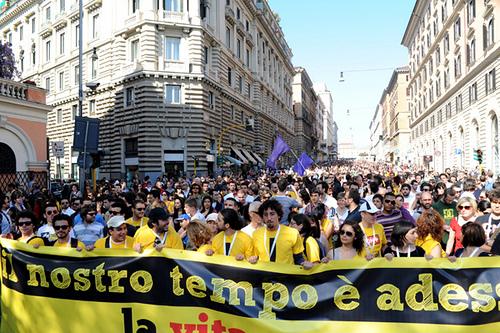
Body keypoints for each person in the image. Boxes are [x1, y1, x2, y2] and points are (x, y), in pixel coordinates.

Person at [248, 200, 312, 268]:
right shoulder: (256, 234)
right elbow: (255, 256)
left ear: (278, 215)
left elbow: (298, 258)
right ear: (262, 217)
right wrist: (252, 259)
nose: (269, 218)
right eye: (265, 214)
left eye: (272, 214)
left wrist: (304, 263)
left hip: (285, 276)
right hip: (264, 276)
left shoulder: (292, 233)